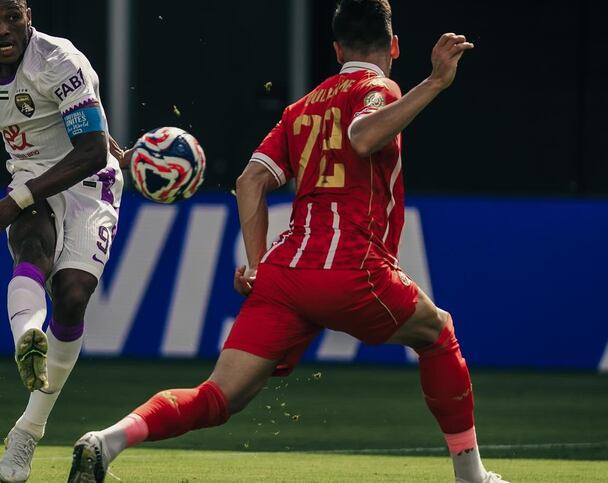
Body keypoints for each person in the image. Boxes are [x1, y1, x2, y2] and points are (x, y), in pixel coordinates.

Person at [68, 1, 508, 483]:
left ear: (337, 50)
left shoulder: (302, 108)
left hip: (285, 274)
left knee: (219, 396)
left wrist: (256, 266)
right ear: (395, 47)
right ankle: (471, 476)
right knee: (438, 334)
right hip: (353, 267)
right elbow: (363, 137)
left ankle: (107, 440)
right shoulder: (379, 87)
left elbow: (249, 181)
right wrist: (436, 82)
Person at [0, 1, 129, 481]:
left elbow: (91, 152)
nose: (1, 29)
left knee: (72, 297)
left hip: (91, 181)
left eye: (12, 17)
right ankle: (28, 340)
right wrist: (23, 196)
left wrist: (13, 201)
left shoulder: (58, 59)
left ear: (28, 15)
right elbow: (47, 124)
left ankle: (28, 429)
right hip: (33, 175)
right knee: (31, 246)